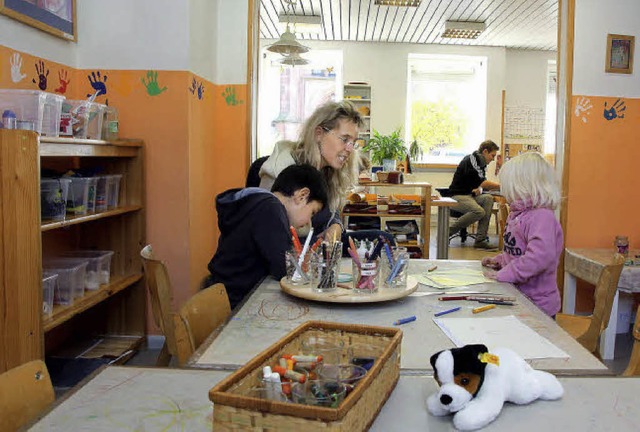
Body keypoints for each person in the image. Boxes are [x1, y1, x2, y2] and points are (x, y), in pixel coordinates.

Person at [207, 164, 328, 309]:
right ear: (302, 196)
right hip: (237, 304)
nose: (309, 221)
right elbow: (283, 270)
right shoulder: (271, 209)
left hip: (224, 293)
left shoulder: (256, 202)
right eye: (312, 212)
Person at [259, 101, 363, 242]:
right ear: (319, 134)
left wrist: (336, 226)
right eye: (344, 139)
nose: (350, 149)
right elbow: (269, 233)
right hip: (292, 250)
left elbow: (333, 212)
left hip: (320, 246)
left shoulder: (330, 172)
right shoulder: (279, 170)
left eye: (353, 142)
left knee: (383, 239)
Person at [481, 152, 563, 317]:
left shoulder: (542, 216)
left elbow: (538, 258)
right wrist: (500, 260)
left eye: (509, 187)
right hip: (519, 297)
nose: (505, 191)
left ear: (525, 187)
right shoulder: (518, 214)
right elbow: (518, 251)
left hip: (538, 306)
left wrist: (505, 274)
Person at [447, 140, 501, 250]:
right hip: (457, 196)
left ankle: (480, 240)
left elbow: (480, 183)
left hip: (469, 195)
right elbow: (484, 182)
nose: (493, 159)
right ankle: (445, 233)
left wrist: (480, 188)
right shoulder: (472, 160)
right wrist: (503, 186)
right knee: (479, 211)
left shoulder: (482, 164)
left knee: (488, 198)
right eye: (492, 155)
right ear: (485, 151)